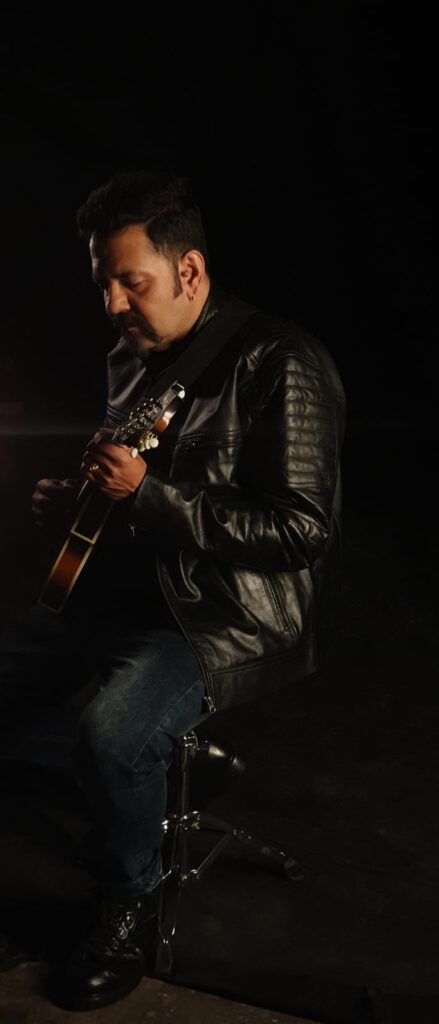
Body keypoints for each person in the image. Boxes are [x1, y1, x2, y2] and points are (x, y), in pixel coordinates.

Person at [0, 170, 345, 1011]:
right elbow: (128, 482)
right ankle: (163, 766)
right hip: (121, 590)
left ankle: (125, 906)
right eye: (104, 284)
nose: (114, 305)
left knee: (110, 736)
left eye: (132, 282)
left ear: (189, 270)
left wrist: (148, 499)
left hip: (218, 616)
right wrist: (74, 504)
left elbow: (300, 532)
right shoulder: (134, 353)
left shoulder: (282, 362)